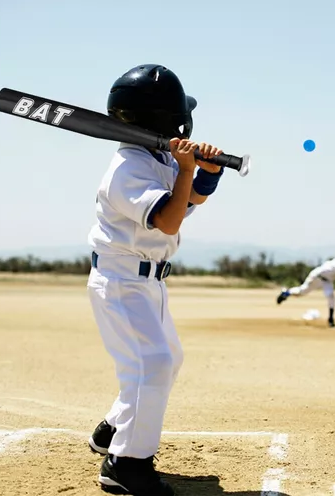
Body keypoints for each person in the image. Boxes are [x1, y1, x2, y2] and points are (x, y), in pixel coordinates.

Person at [86, 64, 225, 496]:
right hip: (122, 279)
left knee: (167, 359)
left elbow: (187, 203)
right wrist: (186, 170)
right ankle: (126, 465)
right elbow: (166, 222)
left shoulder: (159, 158)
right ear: (167, 120)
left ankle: (113, 430)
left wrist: (206, 172)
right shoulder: (127, 168)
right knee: (153, 364)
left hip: (149, 282)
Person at [276, 244, 335, 327]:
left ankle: (330, 319)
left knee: (331, 297)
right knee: (302, 292)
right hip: (317, 276)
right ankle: (286, 293)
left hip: (327, 281)